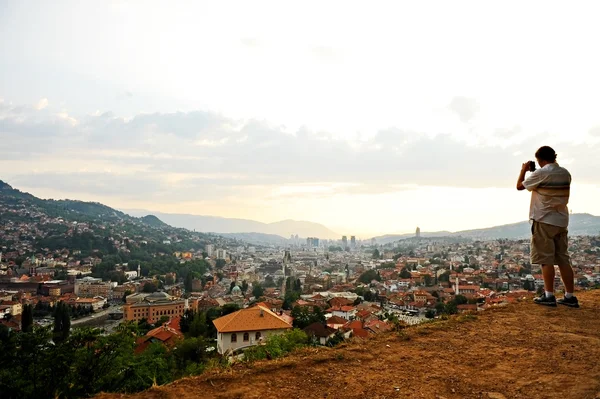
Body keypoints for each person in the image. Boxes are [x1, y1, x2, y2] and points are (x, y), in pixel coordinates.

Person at [516, 146, 578, 307]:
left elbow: (520, 186)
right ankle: (570, 296)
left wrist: (524, 170)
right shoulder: (565, 173)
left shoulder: (542, 173)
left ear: (541, 159)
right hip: (561, 220)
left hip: (544, 220)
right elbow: (545, 185)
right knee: (563, 259)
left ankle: (549, 295)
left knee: (546, 259)